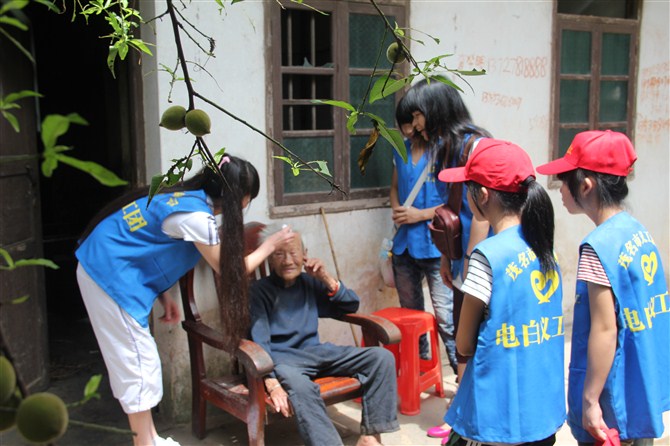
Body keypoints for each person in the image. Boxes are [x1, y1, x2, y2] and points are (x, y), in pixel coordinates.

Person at [75, 155, 293, 446]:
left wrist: (163, 294)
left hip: (105, 266)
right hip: (108, 275)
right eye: (249, 196)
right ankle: (144, 443)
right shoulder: (195, 216)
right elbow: (230, 271)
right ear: (238, 197)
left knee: (140, 363)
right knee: (138, 366)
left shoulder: (184, 198)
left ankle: (150, 438)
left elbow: (143, 243)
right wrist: (270, 245)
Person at [536, 130, 670, 445]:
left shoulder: (597, 248)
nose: (560, 190)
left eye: (564, 180)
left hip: (612, 400)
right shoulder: (637, 232)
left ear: (586, 185)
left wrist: (590, 400)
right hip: (639, 389)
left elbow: (605, 329)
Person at [440, 139, 565, 445]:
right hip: (541, 414)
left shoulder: (487, 256)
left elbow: (464, 343)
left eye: (467, 188)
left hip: (496, 417)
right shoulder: (545, 248)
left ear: (482, 194)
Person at [249, 228, 400, 446]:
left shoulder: (309, 282)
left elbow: (350, 305)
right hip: (284, 361)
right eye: (279, 254)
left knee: (381, 358)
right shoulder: (259, 290)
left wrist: (326, 278)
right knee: (301, 389)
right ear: (270, 258)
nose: (288, 260)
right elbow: (260, 339)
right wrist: (271, 382)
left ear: (305, 255)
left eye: (294, 253)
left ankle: (370, 437)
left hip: (317, 353)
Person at [406, 77, 493, 441]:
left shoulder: (475, 145)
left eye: (417, 115)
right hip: (461, 259)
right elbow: (450, 207)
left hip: (480, 260)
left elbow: (483, 213)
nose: (415, 125)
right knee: (462, 333)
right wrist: (448, 258)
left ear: (436, 110)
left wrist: (470, 264)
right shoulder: (447, 147)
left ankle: (466, 415)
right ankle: (462, 411)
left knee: (472, 337)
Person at [390, 91, 458, 373]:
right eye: (404, 123)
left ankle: (460, 374)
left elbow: (455, 199)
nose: (409, 129)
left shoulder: (444, 149)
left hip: (435, 245)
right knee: (411, 316)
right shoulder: (400, 149)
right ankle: (420, 371)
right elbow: (395, 186)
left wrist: (419, 215)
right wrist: (397, 209)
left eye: (413, 121)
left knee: (445, 316)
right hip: (404, 245)